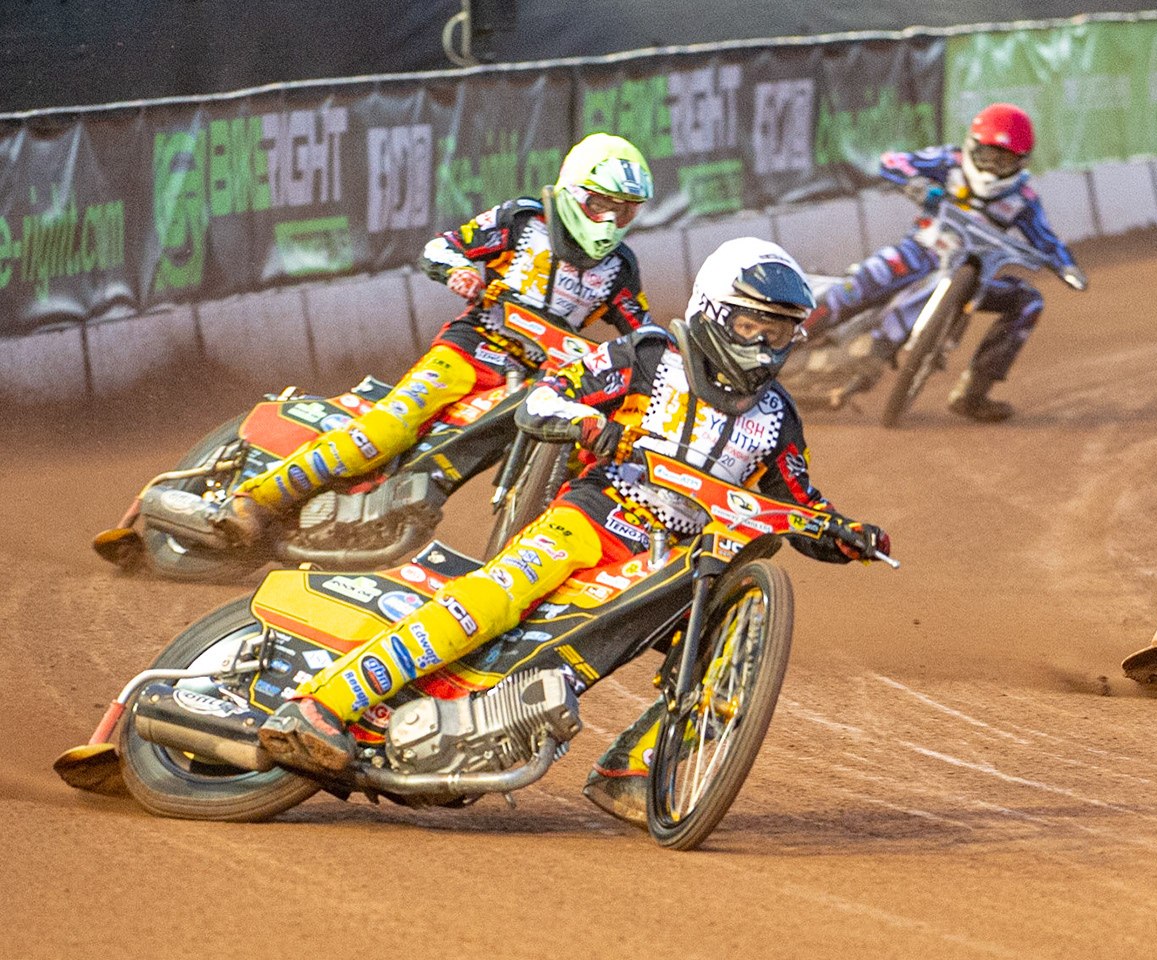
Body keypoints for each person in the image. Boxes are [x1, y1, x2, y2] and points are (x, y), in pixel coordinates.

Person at [255, 238, 890, 821]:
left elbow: (800, 504)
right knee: (494, 598)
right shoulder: (647, 355)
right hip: (592, 518)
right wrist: (587, 423)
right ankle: (323, 705)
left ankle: (632, 768)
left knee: (735, 651)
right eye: (753, 323)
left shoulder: (778, 417)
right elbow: (543, 399)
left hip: (671, 563)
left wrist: (847, 534)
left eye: (779, 329)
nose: (765, 341)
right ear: (713, 311)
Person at [189, 133, 657, 545]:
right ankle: (255, 501)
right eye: (603, 204)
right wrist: (457, 272)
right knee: (392, 426)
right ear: (575, 193)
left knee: (583, 446)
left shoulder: (621, 268)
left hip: (540, 382)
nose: (612, 220)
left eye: (625, 210)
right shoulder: (522, 221)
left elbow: (644, 340)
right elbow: (441, 247)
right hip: (472, 349)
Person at [810, 102, 1088, 422]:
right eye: (987, 156)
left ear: (1021, 161)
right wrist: (916, 182)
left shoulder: (1023, 199)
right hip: (920, 253)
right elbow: (893, 161)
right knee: (864, 280)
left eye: (1004, 160)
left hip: (975, 277)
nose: (993, 167)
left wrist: (1066, 267)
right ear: (972, 147)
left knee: (1028, 301)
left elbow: (1045, 239)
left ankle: (973, 393)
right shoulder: (948, 161)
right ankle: (787, 339)